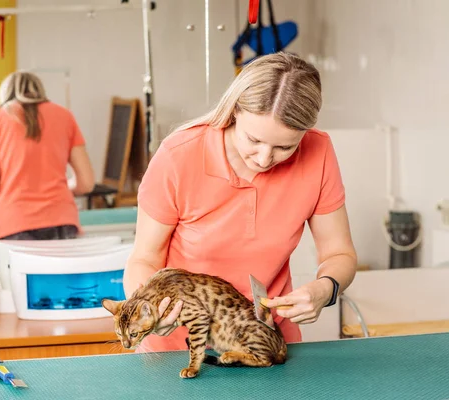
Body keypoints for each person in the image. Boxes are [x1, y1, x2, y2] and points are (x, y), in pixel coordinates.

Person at [122, 52, 358, 352]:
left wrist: (325, 289)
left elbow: (339, 254)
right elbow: (144, 258)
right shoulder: (178, 155)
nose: (265, 159)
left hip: (263, 343)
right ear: (234, 111)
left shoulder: (318, 151)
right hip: (179, 346)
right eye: (253, 140)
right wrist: (154, 313)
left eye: (285, 146)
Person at [0, 71, 95, 243]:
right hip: (62, 219)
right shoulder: (65, 116)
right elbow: (87, 183)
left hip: (13, 223)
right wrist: (54, 189)